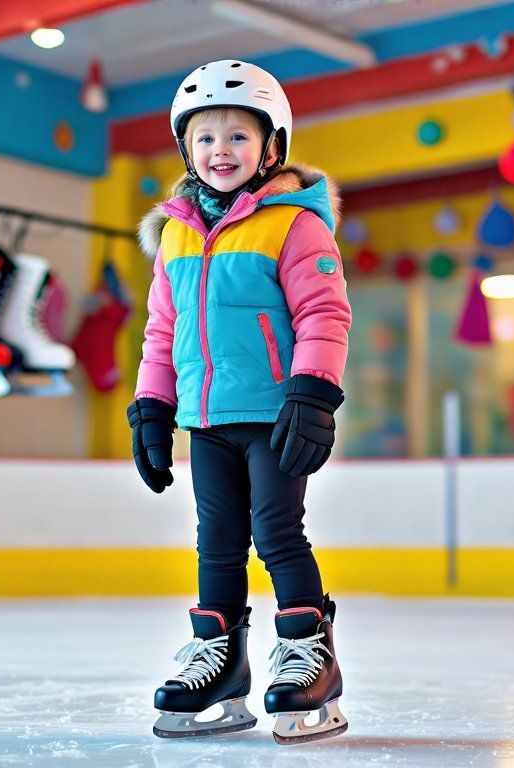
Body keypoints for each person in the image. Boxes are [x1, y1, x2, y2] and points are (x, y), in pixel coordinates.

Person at [126, 59, 352, 745]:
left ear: (271, 148)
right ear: (185, 151)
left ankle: (310, 655)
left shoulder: (293, 226)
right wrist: (151, 407)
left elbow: (323, 313)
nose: (220, 151)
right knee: (216, 541)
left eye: (238, 138)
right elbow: (161, 331)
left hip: (274, 414)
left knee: (278, 533)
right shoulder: (175, 233)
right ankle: (220, 661)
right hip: (204, 420)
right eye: (204, 139)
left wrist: (312, 394)